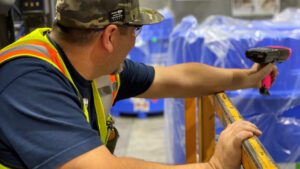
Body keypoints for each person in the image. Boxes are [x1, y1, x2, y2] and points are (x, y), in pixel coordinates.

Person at [0, 0, 277, 169]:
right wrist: (215, 166)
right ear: (109, 37)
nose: (135, 40)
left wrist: (243, 78)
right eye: (134, 30)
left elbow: (175, 78)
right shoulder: (30, 81)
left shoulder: (90, 64)